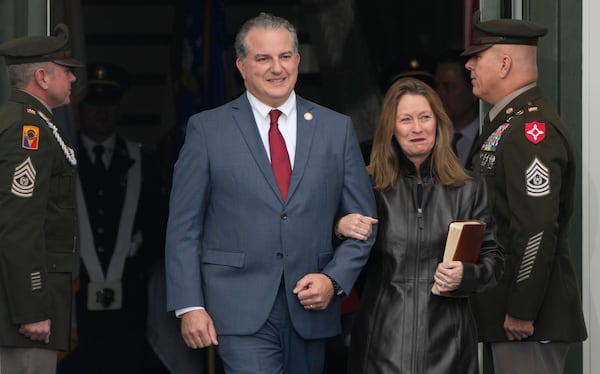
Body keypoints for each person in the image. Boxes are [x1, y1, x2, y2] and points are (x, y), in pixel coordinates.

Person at [164, 12, 377, 374]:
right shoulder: (207, 130)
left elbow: (364, 225)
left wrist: (334, 279)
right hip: (236, 308)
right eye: (263, 58)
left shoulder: (335, 129)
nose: (276, 68)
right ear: (241, 65)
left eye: (284, 56)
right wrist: (189, 305)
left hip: (311, 308)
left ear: (297, 60)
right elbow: (184, 227)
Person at [338, 77, 504, 373]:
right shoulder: (369, 186)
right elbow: (329, 250)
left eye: (425, 117)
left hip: (449, 343)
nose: (417, 128)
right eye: (406, 120)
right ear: (391, 127)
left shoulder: (468, 188)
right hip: (382, 341)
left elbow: (494, 261)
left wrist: (466, 274)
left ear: (438, 123)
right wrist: (339, 226)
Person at [461, 16, 588, 373]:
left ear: (503, 64)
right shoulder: (506, 123)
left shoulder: (531, 131)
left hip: (527, 323)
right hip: (508, 315)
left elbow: (536, 228)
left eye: (477, 56)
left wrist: (522, 308)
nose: (468, 64)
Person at [57, 63, 168, 373]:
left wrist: (137, 250)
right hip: (75, 302)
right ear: (80, 108)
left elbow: (159, 223)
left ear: (119, 109)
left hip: (130, 302)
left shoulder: (142, 160)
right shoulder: (60, 161)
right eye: (93, 103)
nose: (102, 112)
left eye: (109, 104)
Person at [0, 24, 82, 374]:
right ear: (42, 77)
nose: (74, 80)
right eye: (67, 71)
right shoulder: (26, 130)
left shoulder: (35, 122)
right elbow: (20, 223)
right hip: (20, 312)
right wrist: (32, 306)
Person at [434, 49, 480, 166]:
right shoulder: (430, 137)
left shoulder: (487, 136)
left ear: (473, 90)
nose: (439, 94)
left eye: (449, 87)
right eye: (436, 86)